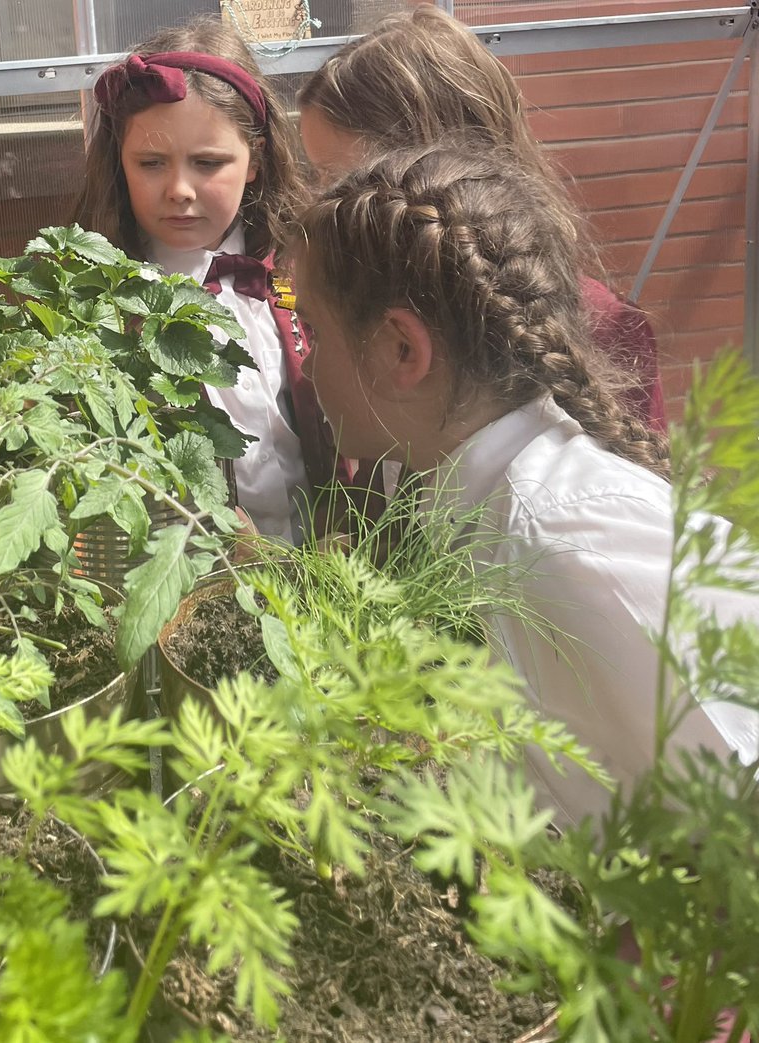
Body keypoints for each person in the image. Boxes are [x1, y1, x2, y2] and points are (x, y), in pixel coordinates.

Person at [293, 142, 758, 825]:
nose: (305, 367)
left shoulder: (565, 539)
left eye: (312, 334)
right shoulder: (462, 502)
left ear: (401, 350)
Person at [297, 3, 667, 433]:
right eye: (318, 176)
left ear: (436, 164)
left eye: (340, 178)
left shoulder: (599, 326)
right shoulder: (364, 312)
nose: (319, 199)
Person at [73, 18, 344, 545]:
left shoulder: (306, 266)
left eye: (208, 162)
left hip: (333, 570)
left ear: (255, 161)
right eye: (151, 162)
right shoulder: (96, 304)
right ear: (119, 164)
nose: (179, 188)